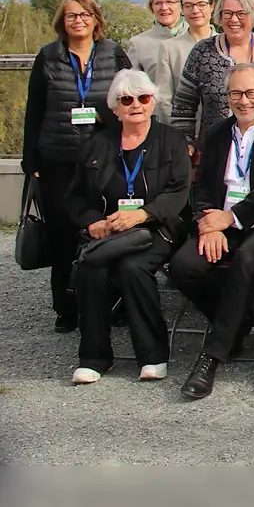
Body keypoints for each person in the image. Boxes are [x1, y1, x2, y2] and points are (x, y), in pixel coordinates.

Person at [166, 61, 254, 398]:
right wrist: (207, 224)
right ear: (226, 96)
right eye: (236, 93)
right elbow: (203, 188)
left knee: (245, 260)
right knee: (183, 266)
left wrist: (232, 217)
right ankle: (237, 323)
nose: (244, 100)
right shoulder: (215, 133)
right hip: (221, 220)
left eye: (251, 92)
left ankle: (212, 356)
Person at [65, 69, 189, 384]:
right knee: (91, 269)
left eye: (143, 98)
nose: (136, 105)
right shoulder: (97, 144)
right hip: (108, 232)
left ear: (152, 102)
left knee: (132, 269)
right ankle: (94, 357)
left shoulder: (171, 140)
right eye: (127, 99)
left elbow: (178, 193)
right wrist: (92, 220)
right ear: (116, 108)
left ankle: (153, 356)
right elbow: (76, 195)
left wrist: (143, 214)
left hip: (156, 230)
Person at [23, 0, 132, 334]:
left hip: (105, 158)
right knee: (63, 233)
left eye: (85, 14)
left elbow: (129, 102)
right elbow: (34, 109)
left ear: (96, 19)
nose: (78, 21)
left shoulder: (113, 53)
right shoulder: (48, 56)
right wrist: (31, 158)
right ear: (62, 22)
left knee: (108, 230)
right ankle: (65, 306)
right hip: (58, 158)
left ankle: (114, 303)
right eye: (71, 16)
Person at [172, 0, 254, 146]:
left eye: (241, 13)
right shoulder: (203, 51)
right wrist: (185, 144)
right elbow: (183, 106)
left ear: (253, 15)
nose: (234, 20)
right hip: (216, 150)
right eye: (228, 13)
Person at [124, 0, 183, 120]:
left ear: (181, 5)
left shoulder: (197, 38)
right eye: (158, 3)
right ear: (151, 7)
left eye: (170, 2)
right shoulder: (138, 44)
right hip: (156, 121)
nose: (164, 7)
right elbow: (132, 88)